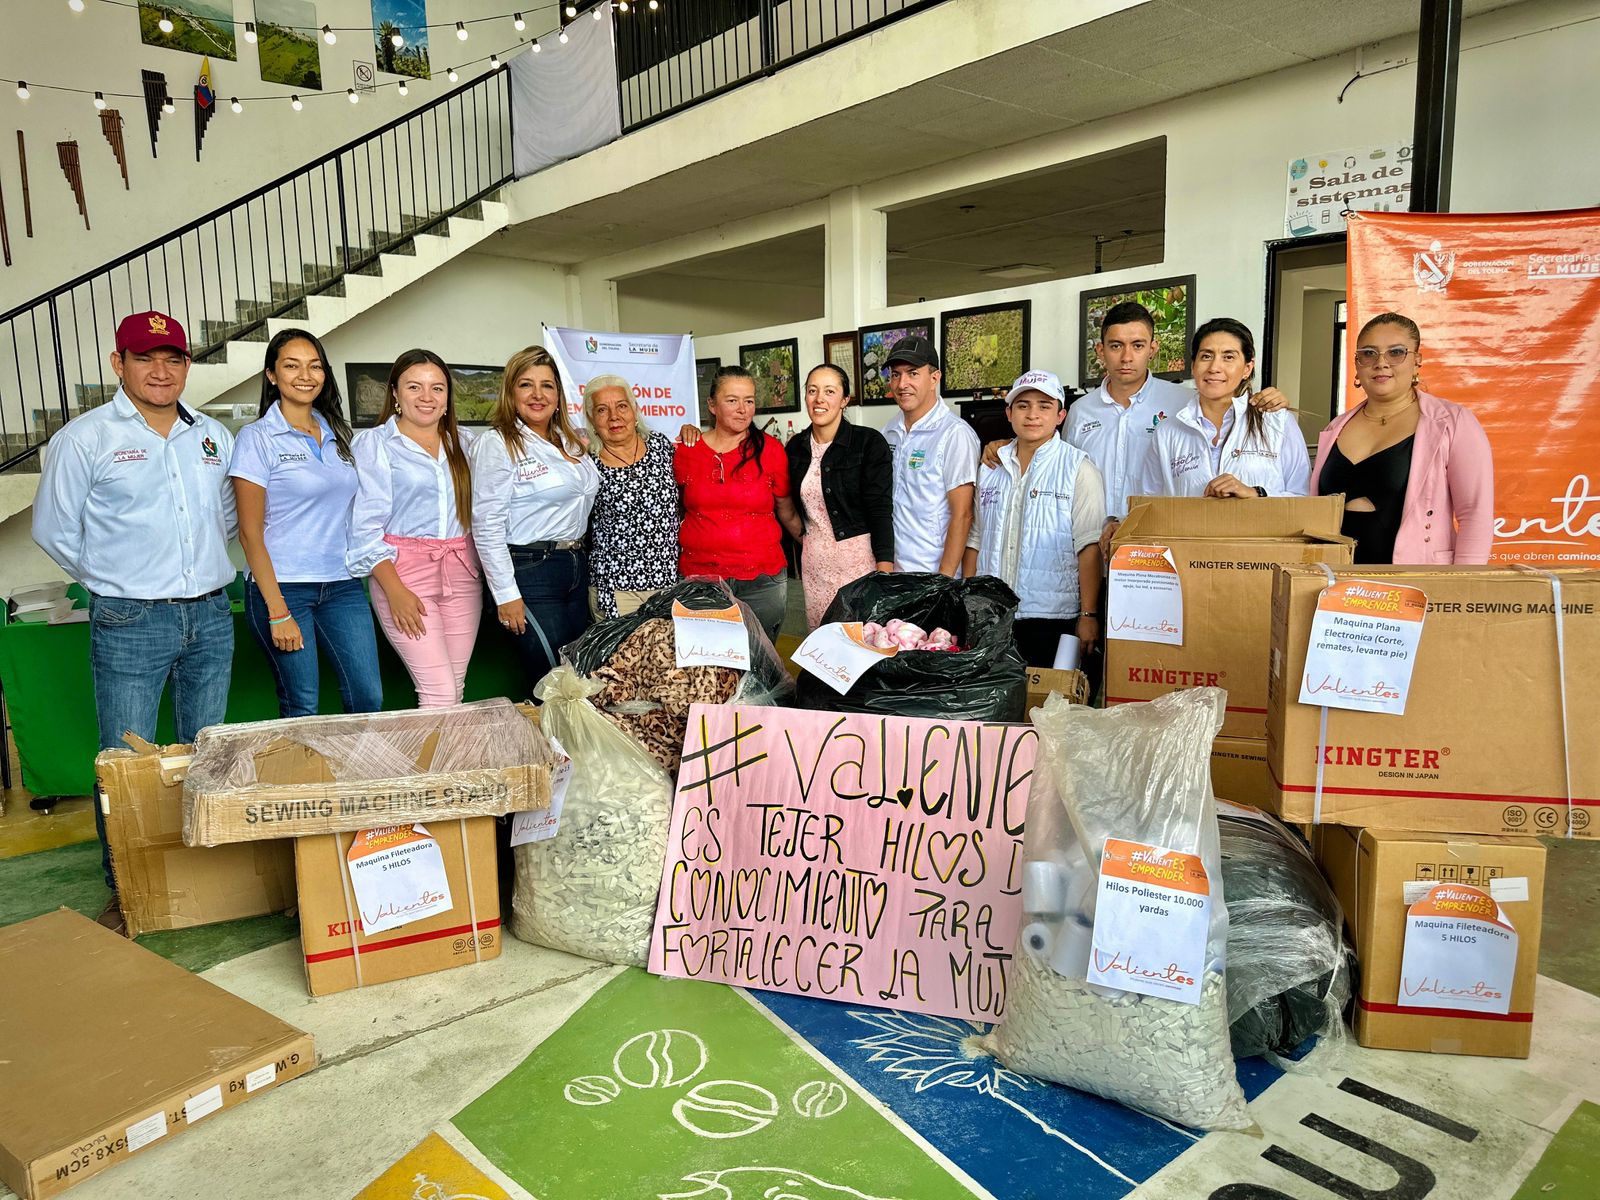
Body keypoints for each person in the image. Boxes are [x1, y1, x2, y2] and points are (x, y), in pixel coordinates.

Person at [32, 311, 236, 934]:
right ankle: (127, 888)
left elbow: (226, 518)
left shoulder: (211, 437)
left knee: (207, 753)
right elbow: (53, 528)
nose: (161, 370)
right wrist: (116, 580)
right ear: (119, 364)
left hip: (210, 613)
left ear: (185, 367)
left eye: (173, 359)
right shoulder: (85, 438)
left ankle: (209, 877)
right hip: (131, 619)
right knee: (126, 761)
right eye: (146, 358)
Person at [230, 330, 382, 718]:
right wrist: (278, 610)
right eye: (292, 365)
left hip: (343, 584)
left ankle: (356, 779)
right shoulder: (257, 438)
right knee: (303, 704)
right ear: (271, 375)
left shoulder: (339, 434)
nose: (305, 375)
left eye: (315, 366)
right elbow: (249, 533)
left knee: (367, 697)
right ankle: (301, 781)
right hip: (284, 587)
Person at [348, 348, 480, 706]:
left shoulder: (467, 444)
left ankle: (452, 763)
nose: (427, 397)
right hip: (403, 575)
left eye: (437, 388)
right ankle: (436, 765)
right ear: (394, 393)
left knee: (455, 686)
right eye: (414, 387)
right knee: (438, 691)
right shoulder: (374, 445)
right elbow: (363, 529)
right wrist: (394, 591)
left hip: (463, 571)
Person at [1311, 312, 1494, 563]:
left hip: (1416, 585)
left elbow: (1475, 514)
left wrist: (1462, 586)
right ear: (1357, 363)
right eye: (1369, 353)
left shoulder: (1453, 422)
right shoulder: (1335, 428)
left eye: (1396, 352)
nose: (1381, 362)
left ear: (1417, 361)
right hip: (1336, 584)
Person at [472, 346, 599, 690]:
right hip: (530, 571)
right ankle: (548, 747)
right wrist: (505, 594)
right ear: (511, 392)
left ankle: (571, 747)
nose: (538, 395)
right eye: (527, 385)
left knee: (581, 680)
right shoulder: (498, 444)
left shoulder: (570, 442)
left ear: (559, 395)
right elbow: (486, 526)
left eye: (548, 385)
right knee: (552, 685)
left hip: (575, 566)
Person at [963, 371, 1106, 667]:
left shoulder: (1078, 469)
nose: (1032, 415)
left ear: (1060, 415)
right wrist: (970, 604)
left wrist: (1088, 614)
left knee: (1045, 708)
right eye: (1023, 405)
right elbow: (975, 538)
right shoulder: (990, 467)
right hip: (993, 614)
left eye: (1044, 406)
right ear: (1009, 413)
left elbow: (1089, 546)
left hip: (1051, 617)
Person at [674, 365, 799, 643]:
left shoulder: (770, 449)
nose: (743, 409)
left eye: (749, 400)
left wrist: (814, 545)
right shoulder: (685, 451)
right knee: (708, 669)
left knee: (762, 666)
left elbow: (786, 510)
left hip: (762, 579)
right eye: (732, 400)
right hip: (701, 578)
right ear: (712, 405)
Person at [1137, 317, 1310, 499]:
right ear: (1193, 366)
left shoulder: (1277, 422)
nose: (1215, 367)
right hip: (1190, 529)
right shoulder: (1168, 432)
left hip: (1264, 529)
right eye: (1206, 356)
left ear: (1247, 368)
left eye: (1228, 357)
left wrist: (1255, 493)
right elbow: (1151, 504)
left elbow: (1303, 497)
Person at [785, 363, 894, 627]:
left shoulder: (868, 443)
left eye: (829, 391)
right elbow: (787, 502)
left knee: (861, 642)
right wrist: (805, 539)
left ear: (845, 400)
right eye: (812, 391)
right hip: (814, 564)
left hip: (859, 564)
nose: (819, 399)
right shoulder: (795, 448)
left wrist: (884, 575)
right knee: (821, 644)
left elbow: (880, 510)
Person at [880, 335, 979, 575]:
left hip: (932, 574)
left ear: (934, 378)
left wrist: (943, 581)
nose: (902, 384)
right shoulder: (888, 432)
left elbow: (963, 514)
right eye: (895, 374)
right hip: (894, 571)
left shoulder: (955, 434)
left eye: (913, 373)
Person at [584, 374, 680, 618]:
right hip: (615, 588)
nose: (614, 416)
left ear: (635, 410)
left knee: (665, 656)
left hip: (668, 583)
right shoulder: (587, 464)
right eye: (602, 410)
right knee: (623, 656)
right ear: (591, 419)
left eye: (622, 406)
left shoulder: (662, 447)